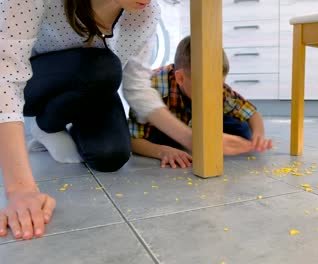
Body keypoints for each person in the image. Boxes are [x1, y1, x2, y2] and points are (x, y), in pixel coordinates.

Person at [0, 0, 252, 240]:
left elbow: (137, 87)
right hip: (36, 85)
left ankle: (67, 123)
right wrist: (20, 189)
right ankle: (46, 125)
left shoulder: (145, 13)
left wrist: (192, 139)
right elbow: (6, 79)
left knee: (112, 155)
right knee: (104, 67)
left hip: (96, 83)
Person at [129, 36, 273, 168]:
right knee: (154, 139)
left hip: (198, 124)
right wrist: (161, 151)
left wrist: (258, 134)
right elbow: (133, 140)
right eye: (207, 87)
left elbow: (251, 113)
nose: (214, 92)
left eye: (218, 86)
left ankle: (200, 138)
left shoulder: (219, 89)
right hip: (165, 131)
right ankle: (181, 142)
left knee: (244, 130)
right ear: (180, 78)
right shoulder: (151, 86)